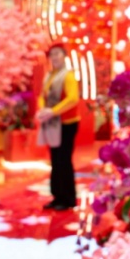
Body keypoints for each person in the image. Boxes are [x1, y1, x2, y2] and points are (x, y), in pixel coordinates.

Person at [36, 43, 80, 210]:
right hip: (53, 123)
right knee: (55, 160)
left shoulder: (68, 76)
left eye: (57, 54)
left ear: (64, 56)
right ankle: (57, 196)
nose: (54, 57)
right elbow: (42, 96)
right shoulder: (49, 76)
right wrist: (43, 109)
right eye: (52, 54)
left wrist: (53, 111)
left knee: (64, 160)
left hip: (67, 123)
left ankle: (68, 198)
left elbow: (72, 99)